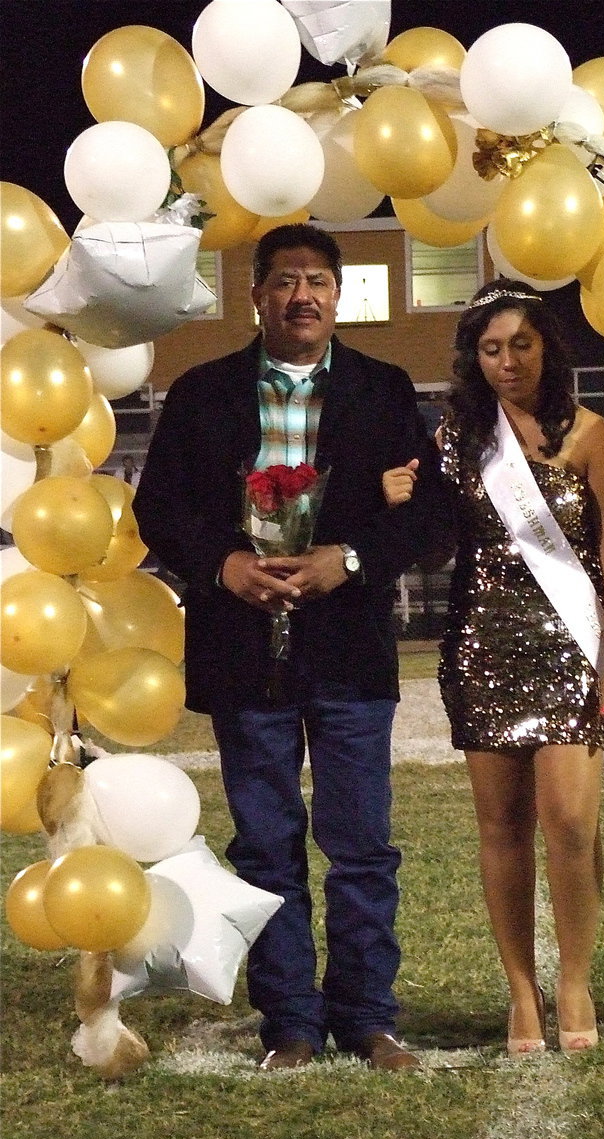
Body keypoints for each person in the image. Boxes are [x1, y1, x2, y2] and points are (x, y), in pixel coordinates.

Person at [133, 223, 452, 1073]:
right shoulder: (202, 393)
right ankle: (291, 1025)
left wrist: (349, 559)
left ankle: (369, 1017)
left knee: (362, 845)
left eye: (317, 281)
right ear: (257, 296)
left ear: (339, 296)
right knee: (265, 845)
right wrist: (226, 565)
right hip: (243, 651)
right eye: (284, 281)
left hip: (349, 650)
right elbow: (158, 507)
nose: (301, 296)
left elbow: (426, 514)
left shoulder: (384, 390)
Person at [390, 280, 604, 1056]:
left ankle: (574, 982)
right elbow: (434, 546)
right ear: (475, 357)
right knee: (501, 828)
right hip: (482, 646)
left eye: (521, 345)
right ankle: (522, 992)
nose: (507, 361)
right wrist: (401, 499)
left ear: (546, 348)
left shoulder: (592, 435)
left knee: (570, 821)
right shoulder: (456, 441)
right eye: (492, 348)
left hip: (570, 648)